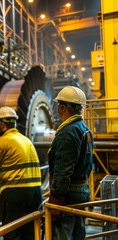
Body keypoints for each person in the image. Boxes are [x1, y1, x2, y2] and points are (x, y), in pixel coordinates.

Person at [0, 106, 42, 240]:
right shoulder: (25, 140)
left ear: (1, 124)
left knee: (11, 232)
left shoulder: (2, 141)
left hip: (15, 192)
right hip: (35, 191)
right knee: (30, 230)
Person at [48, 86, 94, 239]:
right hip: (82, 189)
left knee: (62, 234)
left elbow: (63, 172)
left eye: (58, 106)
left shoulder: (67, 133)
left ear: (62, 107)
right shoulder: (85, 129)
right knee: (78, 232)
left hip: (68, 194)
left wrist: (55, 201)